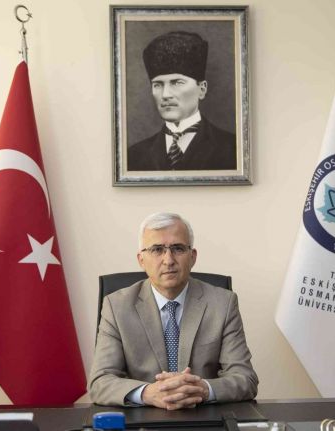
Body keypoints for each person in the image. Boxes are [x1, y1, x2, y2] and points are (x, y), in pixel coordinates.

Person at [89, 213, 258, 409]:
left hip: (204, 416)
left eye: (178, 248)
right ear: (141, 259)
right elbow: (100, 382)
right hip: (142, 418)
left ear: (192, 257)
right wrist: (147, 393)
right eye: (157, 249)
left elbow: (245, 378)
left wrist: (202, 389)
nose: (168, 260)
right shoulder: (116, 306)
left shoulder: (223, 303)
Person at [127, 31, 237, 171]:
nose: (165, 95)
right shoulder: (134, 155)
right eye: (158, 85)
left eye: (177, 83)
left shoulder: (233, 150)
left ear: (202, 89)